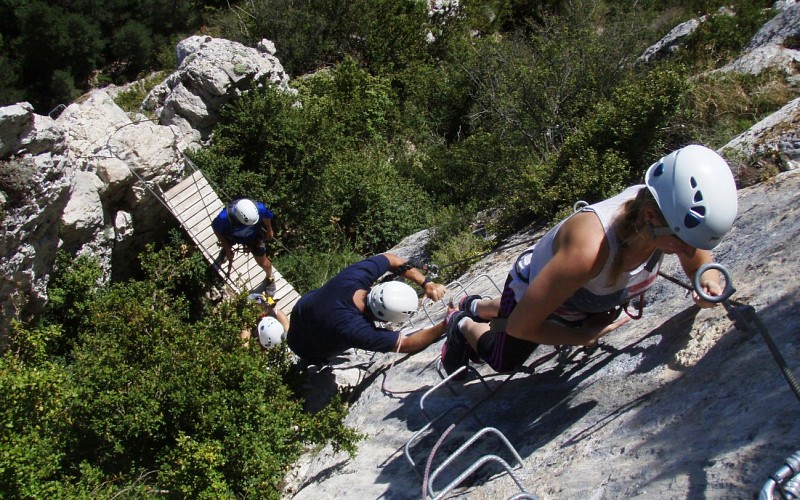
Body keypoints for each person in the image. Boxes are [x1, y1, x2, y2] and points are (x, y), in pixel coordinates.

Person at [442, 144, 739, 375]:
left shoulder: (657, 212)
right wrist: (581, 337)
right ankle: (463, 321)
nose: (688, 252)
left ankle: (476, 304)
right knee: (502, 357)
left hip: (570, 296)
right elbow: (521, 326)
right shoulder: (589, 251)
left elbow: (696, 252)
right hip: (537, 288)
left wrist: (706, 281)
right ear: (650, 217)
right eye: (682, 243)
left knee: (538, 307)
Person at [287, 253, 448, 365]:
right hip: (305, 348)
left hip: (302, 308)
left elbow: (388, 259)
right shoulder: (353, 328)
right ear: (385, 320)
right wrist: (447, 323)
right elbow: (406, 344)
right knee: (317, 349)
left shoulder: (355, 277)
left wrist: (426, 282)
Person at [212, 198, 276, 284]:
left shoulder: (260, 209)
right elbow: (217, 229)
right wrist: (227, 248)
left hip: (254, 235)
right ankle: (224, 254)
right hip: (232, 235)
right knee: (226, 247)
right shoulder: (223, 218)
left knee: (263, 262)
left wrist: (269, 229)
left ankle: (270, 276)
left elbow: (266, 216)